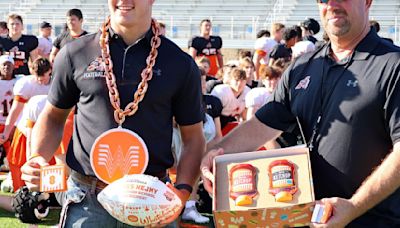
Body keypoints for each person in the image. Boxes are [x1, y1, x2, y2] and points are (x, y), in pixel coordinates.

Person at [201, 0, 400, 227]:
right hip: (308, 217)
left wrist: (354, 206)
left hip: (373, 220)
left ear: (367, 2)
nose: (332, 4)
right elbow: (263, 124)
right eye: (323, 0)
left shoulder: (393, 65)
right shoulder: (303, 66)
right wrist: (217, 156)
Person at [21, 0, 205, 227]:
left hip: (152, 198)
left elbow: (193, 138)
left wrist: (183, 191)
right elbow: (53, 116)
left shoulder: (180, 63)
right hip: (86, 198)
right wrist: (37, 156)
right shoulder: (74, 53)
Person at [0, 57, 51, 192]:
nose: (40, 80)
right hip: (25, 128)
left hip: (49, 130)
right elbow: (15, 110)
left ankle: (50, 195)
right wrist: (6, 131)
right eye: (37, 76)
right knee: (19, 162)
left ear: (50, 71)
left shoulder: (57, 83)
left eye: (43, 76)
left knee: (50, 165)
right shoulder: (26, 84)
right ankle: (19, 188)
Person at [0, 55, 17, 171]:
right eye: (4, 65)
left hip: (14, 123)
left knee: (14, 153)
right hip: (0, 121)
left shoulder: (20, 81)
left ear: (14, 66)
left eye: (9, 65)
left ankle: (12, 174)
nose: (6, 67)